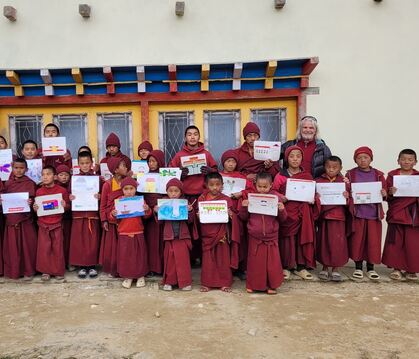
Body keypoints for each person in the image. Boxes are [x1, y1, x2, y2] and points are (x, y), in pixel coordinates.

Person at [169, 125, 218, 264]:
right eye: (189, 134)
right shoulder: (179, 155)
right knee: (187, 228)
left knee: (204, 226)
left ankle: (204, 256)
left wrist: (209, 171)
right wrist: (179, 173)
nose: (192, 137)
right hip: (185, 196)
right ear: (185, 137)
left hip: (202, 195)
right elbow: (170, 174)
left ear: (199, 137)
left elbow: (215, 171)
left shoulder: (206, 154)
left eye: (195, 134)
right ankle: (190, 258)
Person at [238, 172, 287, 294]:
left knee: (272, 263)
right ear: (255, 185)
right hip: (255, 235)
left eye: (265, 187)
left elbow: (283, 219)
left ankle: (271, 285)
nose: (262, 189)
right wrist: (244, 207)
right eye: (260, 186)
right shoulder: (251, 197)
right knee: (255, 263)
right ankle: (253, 285)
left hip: (271, 236)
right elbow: (243, 217)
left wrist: (281, 210)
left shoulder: (276, 198)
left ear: (271, 185)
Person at [276, 145, 317, 280]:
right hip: (288, 213)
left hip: (303, 213)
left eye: (298, 156)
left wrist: (313, 200)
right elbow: (273, 191)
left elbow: (314, 193)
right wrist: (280, 196)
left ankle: (301, 267)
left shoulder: (307, 175)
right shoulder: (280, 176)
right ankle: (286, 267)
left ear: (302, 159)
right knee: (287, 240)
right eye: (291, 156)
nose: (295, 159)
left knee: (302, 238)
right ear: (287, 159)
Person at [346, 146, 386, 281]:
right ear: (355, 160)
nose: (363, 160)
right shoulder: (350, 174)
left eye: (366, 157)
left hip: (373, 213)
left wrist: (384, 193)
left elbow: (385, 192)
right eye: (359, 158)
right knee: (358, 241)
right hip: (358, 213)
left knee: (373, 242)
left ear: (371, 159)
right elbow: (346, 190)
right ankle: (358, 267)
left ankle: (370, 268)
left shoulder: (379, 174)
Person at [197, 172, 239, 292]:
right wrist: (198, 215)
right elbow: (198, 217)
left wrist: (231, 215)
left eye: (217, 184)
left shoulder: (226, 199)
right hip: (207, 233)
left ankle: (224, 282)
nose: (215, 187)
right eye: (211, 185)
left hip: (222, 234)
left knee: (223, 259)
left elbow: (233, 216)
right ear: (206, 185)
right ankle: (207, 283)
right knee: (208, 259)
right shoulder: (202, 198)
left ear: (222, 185)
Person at [382, 149, 419, 281]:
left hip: (413, 213)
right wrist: (390, 192)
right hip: (397, 212)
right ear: (398, 160)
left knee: (412, 243)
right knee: (395, 241)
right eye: (403, 159)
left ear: (415, 162)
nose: (406, 162)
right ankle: (396, 268)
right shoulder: (392, 175)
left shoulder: (418, 176)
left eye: (410, 160)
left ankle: (411, 269)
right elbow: (386, 194)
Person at [158, 178, 198, 291]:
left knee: (183, 260)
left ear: (181, 192)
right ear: (167, 192)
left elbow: (190, 221)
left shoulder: (184, 203)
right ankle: (170, 282)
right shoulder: (164, 203)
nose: (173, 194)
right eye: (171, 191)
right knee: (170, 260)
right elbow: (160, 222)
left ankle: (185, 283)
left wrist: (190, 211)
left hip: (182, 236)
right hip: (169, 236)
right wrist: (157, 211)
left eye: (176, 191)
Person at [111, 177, 151, 289]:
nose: (129, 191)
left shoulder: (140, 200)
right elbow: (113, 219)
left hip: (138, 232)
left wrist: (147, 209)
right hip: (124, 233)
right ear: (122, 190)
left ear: (135, 189)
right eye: (126, 189)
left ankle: (140, 276)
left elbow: (147, 215)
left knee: (139, 256)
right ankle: (128, 277)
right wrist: (113, 214)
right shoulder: (119, 201)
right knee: (126, 256)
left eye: (131, 188)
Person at [219, 149, 254, 280]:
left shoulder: (241, 177)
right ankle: (225, 267)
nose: (231, 164)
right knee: (223, 239)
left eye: (233, 161)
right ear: (223, 163)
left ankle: (239, 267)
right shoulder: (218, 176)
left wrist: (241, 194)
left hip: (238, 214)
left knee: (239, 239)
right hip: (222, 212)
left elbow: (251, 189)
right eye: (228, 161)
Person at [314, 156, 349, 281]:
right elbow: (313, 199)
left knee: (337, 243)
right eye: (328, 167)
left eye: (335, 167)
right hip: (324, 217)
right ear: (324, 167)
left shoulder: (344, 182)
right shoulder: (318, 181)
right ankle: (324, 267)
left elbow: (350, 201)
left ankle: (335, 268)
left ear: (340, 168)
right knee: (324, 242)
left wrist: (347, 196)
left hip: (338, 217)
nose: (331, 170)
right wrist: (316, 197)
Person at [2, 158, 37, 280]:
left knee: (28, 246)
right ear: (12, 168)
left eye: (21, 168)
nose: (18, 170)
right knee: (13, 246)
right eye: (16, 168)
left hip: (25, 219)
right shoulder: (7, 183)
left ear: (26, 169)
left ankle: (28, 270)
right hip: (12, 218)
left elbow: (34, 201)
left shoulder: (30, 183)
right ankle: (15, 270)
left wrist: (30, 201)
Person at [69, 151, 102, 279]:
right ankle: (81, 266)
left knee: (93, 241)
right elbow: (68, 194)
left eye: (87, 163)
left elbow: (103, 196)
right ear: (78, 164)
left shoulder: (98, 179)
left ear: (92, 163)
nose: (85, 165)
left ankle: (92, 265)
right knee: (79, 241)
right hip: (78, 214)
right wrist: (70, 197)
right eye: (82, 163)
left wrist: (99, 197)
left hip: (92, 214)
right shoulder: (74, 179)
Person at [33, 166, 70, 281]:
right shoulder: (39, 191)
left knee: (57, 248)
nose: (45, 177)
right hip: (43, 224)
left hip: (57, 223)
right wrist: (35, 208)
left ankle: (58, 271)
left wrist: (65, 205)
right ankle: (46, 271)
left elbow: (67, 207)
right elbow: (37, 208)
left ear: (54, 177)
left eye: (48, 174)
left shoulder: (62, 191)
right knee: (45, 248)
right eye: (43, 175)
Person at [99, 156, 130, 276]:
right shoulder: (107, 184)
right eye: (123, 166)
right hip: (112, 220)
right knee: (113, 247)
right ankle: (114, 269)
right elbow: (103, 205)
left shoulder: (128, 182)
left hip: (126, 219)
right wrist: (104, 220)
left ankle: (125, 268)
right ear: (116, 170)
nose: (126, 167)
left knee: (124, 246)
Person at [143, 150, 166, 277]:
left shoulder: (166, 176)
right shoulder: (145, 177)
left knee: (163, 241)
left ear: (160, 161)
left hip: (163, 213)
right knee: (151, 242)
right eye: (149, 161)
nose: (151, 164)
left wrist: (161, 206)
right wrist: (149, 207)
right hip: (150, 216)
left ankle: (163, 267)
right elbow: (142, 194)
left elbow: (172, 192)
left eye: (154, 161)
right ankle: (152, 267)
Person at [56, 164, 73, 269]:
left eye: (66, 175)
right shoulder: (54, 187)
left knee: (68, 241)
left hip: (69, 218)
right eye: (61, 175)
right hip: (57, 219)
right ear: (56, 176)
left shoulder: (72, 186)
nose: (64, 177)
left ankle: (69, 262)